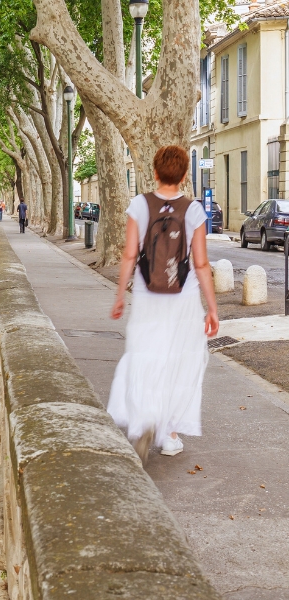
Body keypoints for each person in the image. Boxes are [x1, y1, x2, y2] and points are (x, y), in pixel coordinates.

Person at [108, 145, 219, 461]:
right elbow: (200, 263)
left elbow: (130, 254)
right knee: (178, 360)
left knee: (144, 352)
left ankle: (143, 416)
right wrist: (212, 308)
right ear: (184, 176)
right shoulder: (194, 210)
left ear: (154, 173)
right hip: (182, 297)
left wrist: (119, 295)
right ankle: (169, 434)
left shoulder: (139, 206)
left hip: (147, 294)